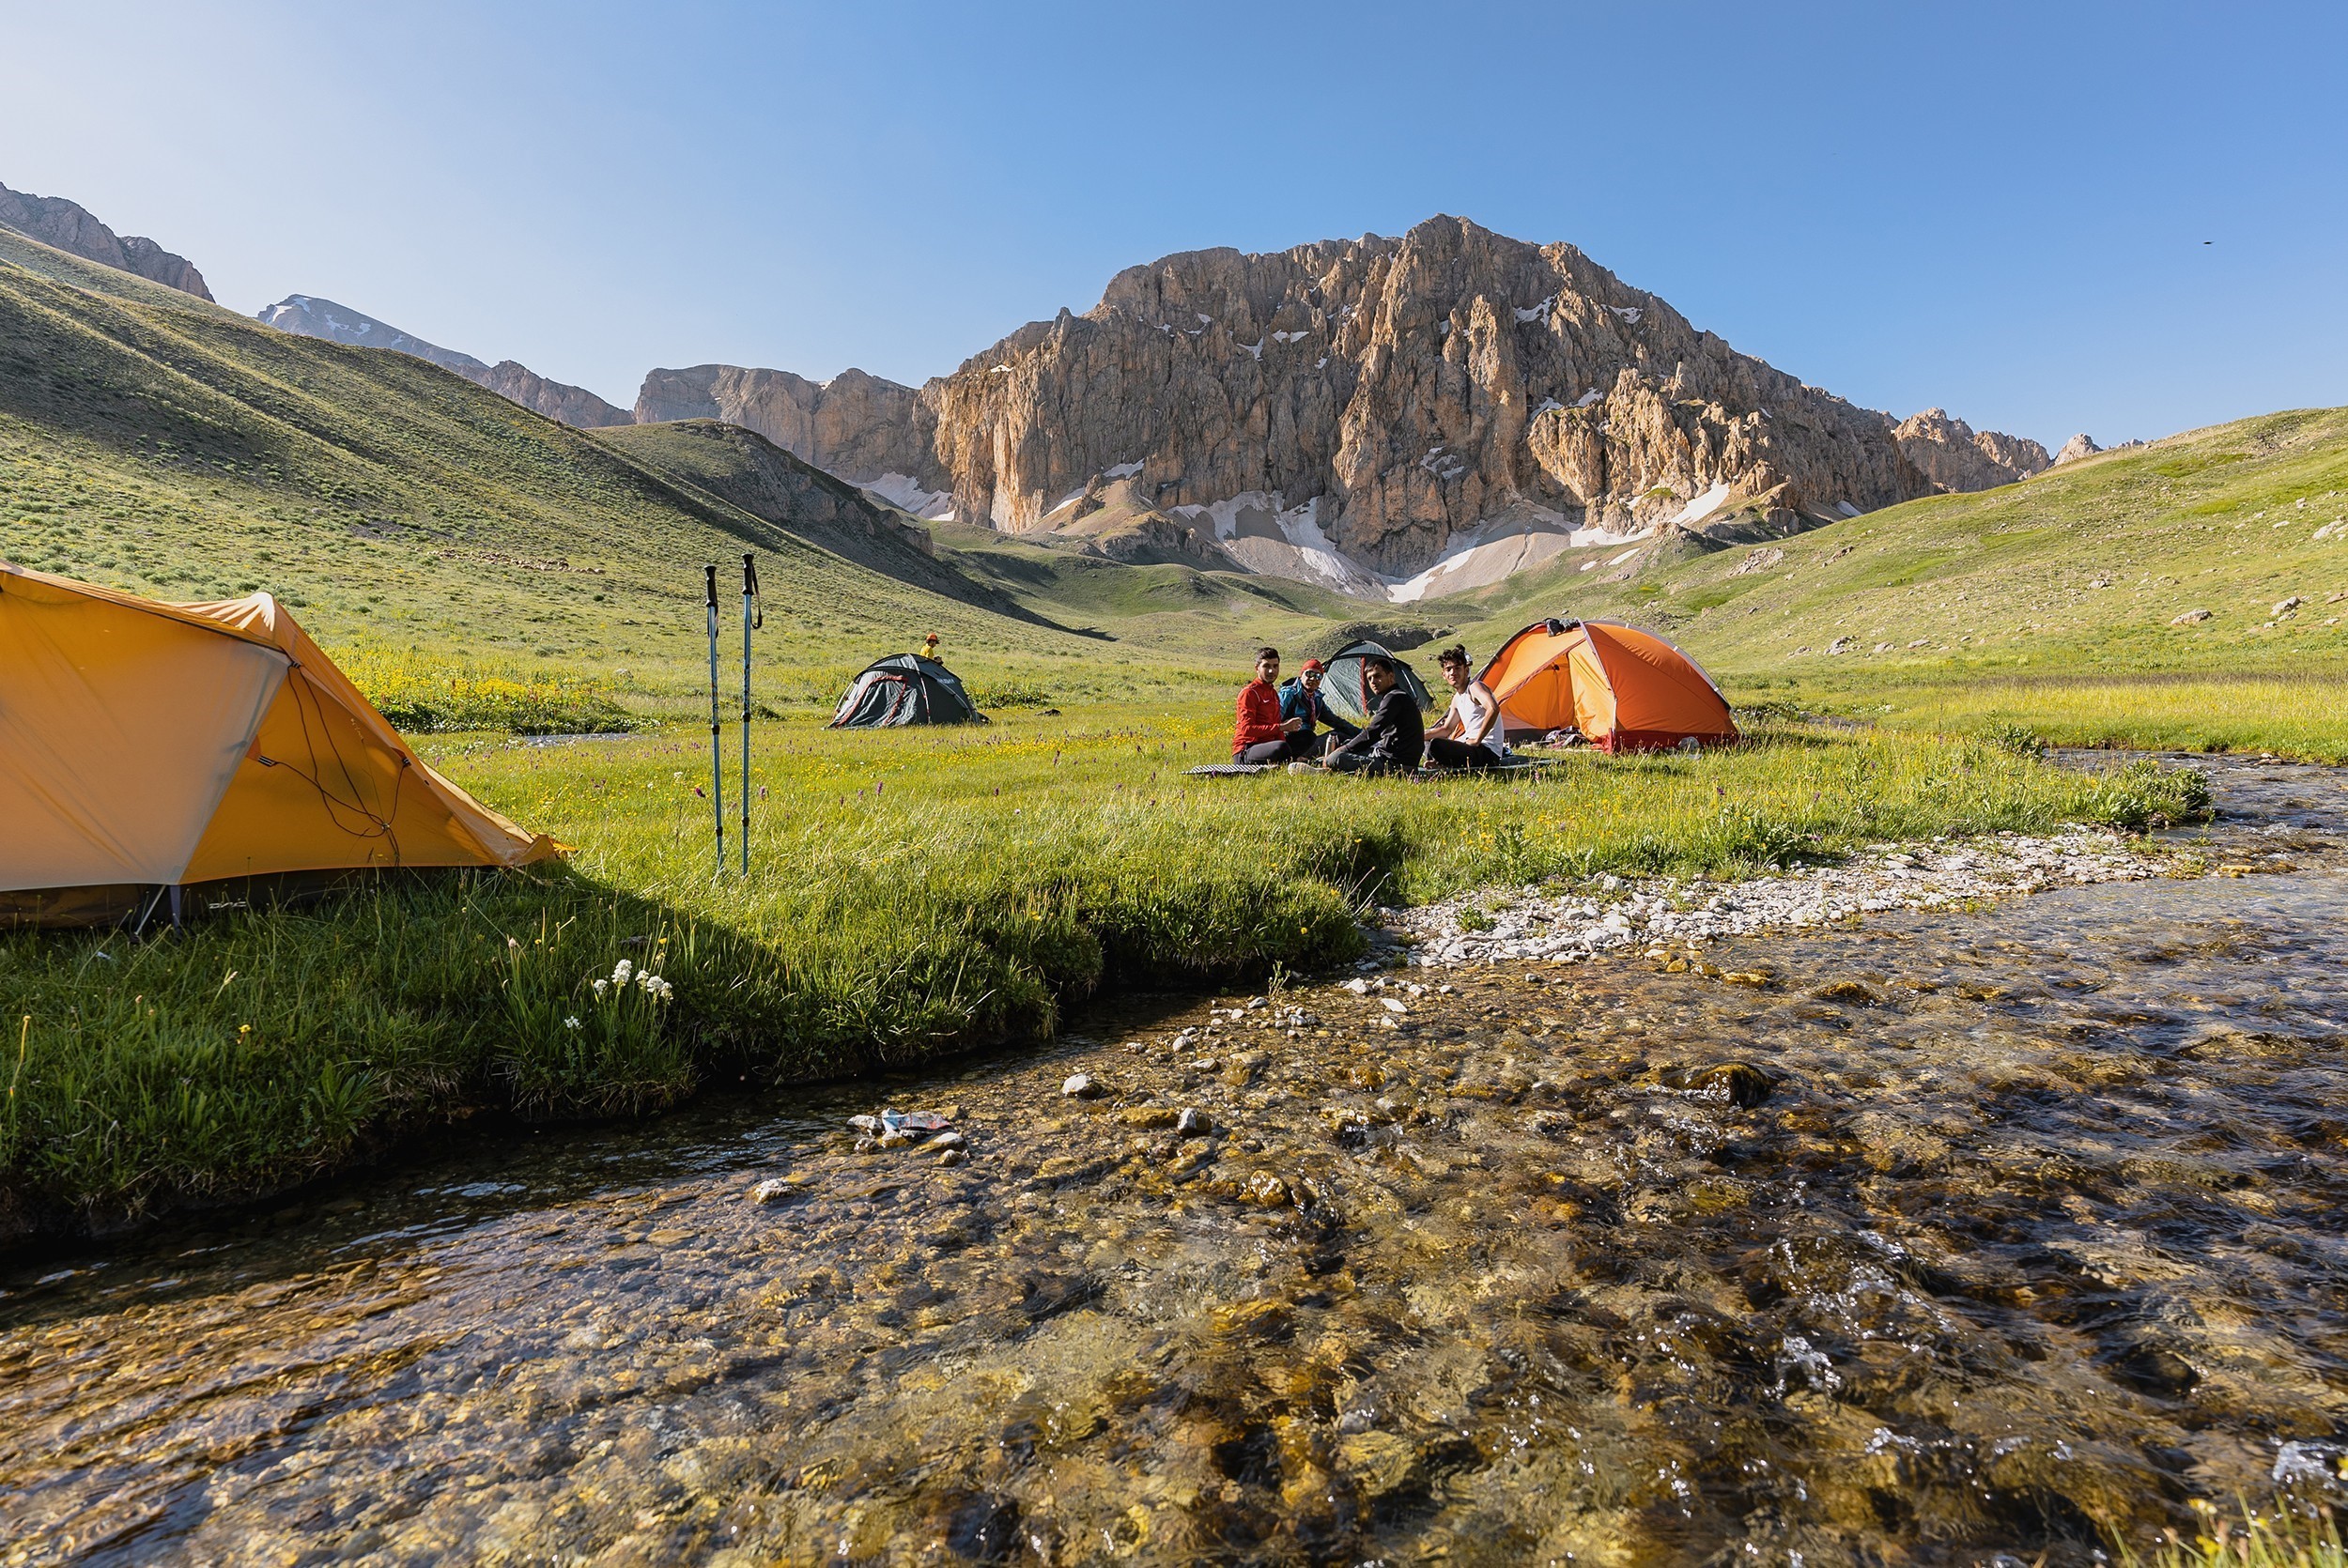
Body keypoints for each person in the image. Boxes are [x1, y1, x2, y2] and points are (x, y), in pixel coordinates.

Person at [1322, 654, 1423, 775]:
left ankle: (1326, 765)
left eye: (1377, 676)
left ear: (1391, 676)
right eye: (1369, 679)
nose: (1373, 682)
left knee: (1337, 758)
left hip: (1396, 764)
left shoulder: (1394, 698)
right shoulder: (1396, 696)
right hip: (1387, 755)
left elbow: (1373, 732)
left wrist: (1344, 750)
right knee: (1345, 746)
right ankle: (1323, 764)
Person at [1424, 644, 1505, 771]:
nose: (1453, 673)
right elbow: (1446, 729)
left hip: (1487, 751)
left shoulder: (1475, 687)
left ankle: (1444, 764)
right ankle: (1442, 764)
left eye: (1457, 668)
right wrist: (1418, 736)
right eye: (1449, 669)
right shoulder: (1457, 698)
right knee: (1428, 743)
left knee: (1436, 745)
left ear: (1466, 671)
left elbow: (1493, 708)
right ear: (1443, 675)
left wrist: (1478, 739)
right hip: (1471, 747)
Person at [1233, 646, 1311, 762]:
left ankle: (1291, 758)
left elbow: (1277, 729)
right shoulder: (1249, 693)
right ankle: (1292, 759)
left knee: (1307, 736)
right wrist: (1281, 727)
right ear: (1257, 668)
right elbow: (1246, 729)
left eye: (1275, 666)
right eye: (1266, 666)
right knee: (1281, 747)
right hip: (1247, 748)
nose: (1271, 671)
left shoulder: (1273, 693)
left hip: (1269, 744)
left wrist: (1282, 730)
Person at [1277, 657, 1359, 755]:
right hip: (1289, 741)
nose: (1313, 679)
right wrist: (1285, 727)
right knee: (1308, 735)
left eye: (1318, 676)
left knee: (1340, 734)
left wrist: (1361, 733)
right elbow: (1274, 721)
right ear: (1301, 675)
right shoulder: (1289, 694)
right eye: (1309, 674)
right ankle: (1300, 757)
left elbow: (1335, 721)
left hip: (1307, 740)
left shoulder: (1316, 698)